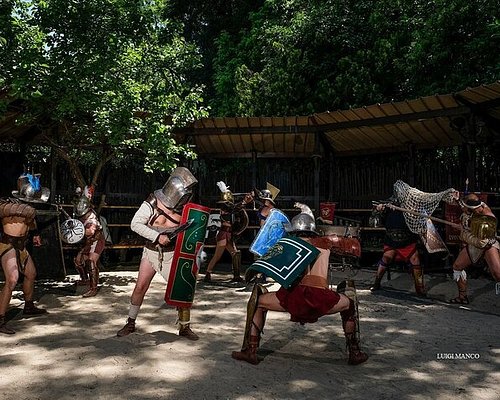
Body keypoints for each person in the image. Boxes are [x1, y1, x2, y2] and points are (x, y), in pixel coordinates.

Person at [231, 204, 368, 365]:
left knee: (259, 301)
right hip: (322, 300)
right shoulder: (325, 243)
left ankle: (251, 350)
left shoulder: (286, 244)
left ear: (294, 230)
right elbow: (355, 249)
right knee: (349, 301)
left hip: (292, 299)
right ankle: (354, 352)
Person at [116, 167, 200, 340]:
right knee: (140, 287)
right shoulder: (152, 203)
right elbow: (135, 224)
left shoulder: (186, 209)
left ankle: (184, 327)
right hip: (150, 252)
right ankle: (130, 322)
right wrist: (157, 236)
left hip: (171, 254)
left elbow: (192, 232)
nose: (185, 197)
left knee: (182, 289)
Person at [0, 173, 48, 334]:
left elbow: (31, 224)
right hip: (8, 244)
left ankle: (28, 306)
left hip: (21, 246)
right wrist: (14, 207)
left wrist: (35, 235)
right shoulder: (8, 206)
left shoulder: (29, 209)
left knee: (31, 274)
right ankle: (0, 319)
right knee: (12, 280)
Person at [449, 193, 500, 304]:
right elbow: (464, 207)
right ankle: (462, 297)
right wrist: (457, 200)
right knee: (457, 267)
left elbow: (481, 243)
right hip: (474, 241)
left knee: (498, 274)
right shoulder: (470, 208)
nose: (464, 209)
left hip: (487, 245)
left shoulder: (487, 217)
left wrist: (462, 232)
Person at [369, 200, 426, 297]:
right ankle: (376, 283)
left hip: (408, 239)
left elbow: (420, 221)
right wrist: (380, 209)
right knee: (386, 258)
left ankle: (419, 289)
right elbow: (375, 220)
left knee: (415, 260)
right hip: (392, 239)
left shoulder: (413, 204)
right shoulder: (389, 204)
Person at [203, 182, 252, 283]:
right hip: (223, 234)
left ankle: (236, 275)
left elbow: (236, 210)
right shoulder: (225, 208)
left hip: (229, 235)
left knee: (235, 254)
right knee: (217, 256)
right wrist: (244, 201)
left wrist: (244, 202)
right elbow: (235, 208)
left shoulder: (229, 208)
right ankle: (207, 273)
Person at [73, 185, 105, 297]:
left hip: (97, 240)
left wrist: (78, 231)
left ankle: (93, 288)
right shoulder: (79, 215)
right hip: (88, 241)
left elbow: (90, 232)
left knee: (91, 261)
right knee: (78, 261)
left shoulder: (92, 216)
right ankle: (85, 279)